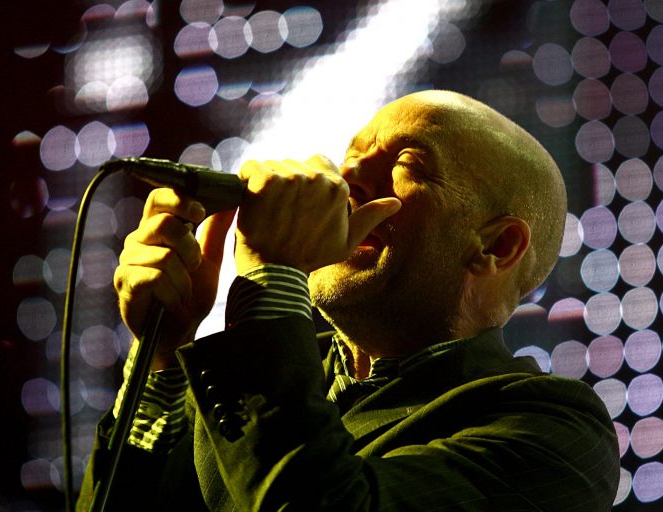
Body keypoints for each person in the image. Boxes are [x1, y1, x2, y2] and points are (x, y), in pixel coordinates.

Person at [78, 90, 619, 511]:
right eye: (351, 158)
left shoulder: (555, 433)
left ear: (496, 247)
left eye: (406, 163)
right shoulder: (254, 374)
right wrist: (162, 356)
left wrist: (273, 275)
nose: (347, 178)